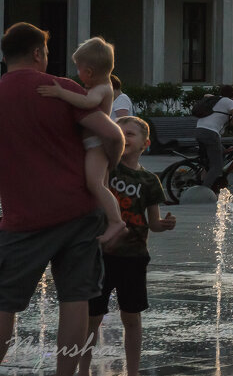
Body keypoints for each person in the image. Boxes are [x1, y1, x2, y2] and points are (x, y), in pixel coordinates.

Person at [0, 22, 125, 376]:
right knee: (75, 298)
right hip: (78, 213)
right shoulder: (60, 88)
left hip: (22, 218)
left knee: (4, 301)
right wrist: (109, 167)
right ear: (38, 53)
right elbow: (110, 133)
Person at [79, 116, 176, 376]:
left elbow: (152, 222)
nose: (124, 137)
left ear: (145, 143)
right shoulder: (107, 168)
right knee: (92, 318)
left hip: (133, 257)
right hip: (100, 254)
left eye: (130, 134)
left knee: (131, 317)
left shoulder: (149, 180)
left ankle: (132, 371)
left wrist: (162, 225)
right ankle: (82, 369)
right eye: (119, 133)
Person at [35, 37, 127, 247]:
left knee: (94, 184)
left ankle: (116, 221)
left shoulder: (102, 88)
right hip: (94, 144)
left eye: (78, 69)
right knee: (100, 186)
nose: (77, 74)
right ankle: (109, 220)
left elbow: (87, 102)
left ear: (90, 71)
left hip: (96, 145)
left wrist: (60, 93)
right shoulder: (103, 85)